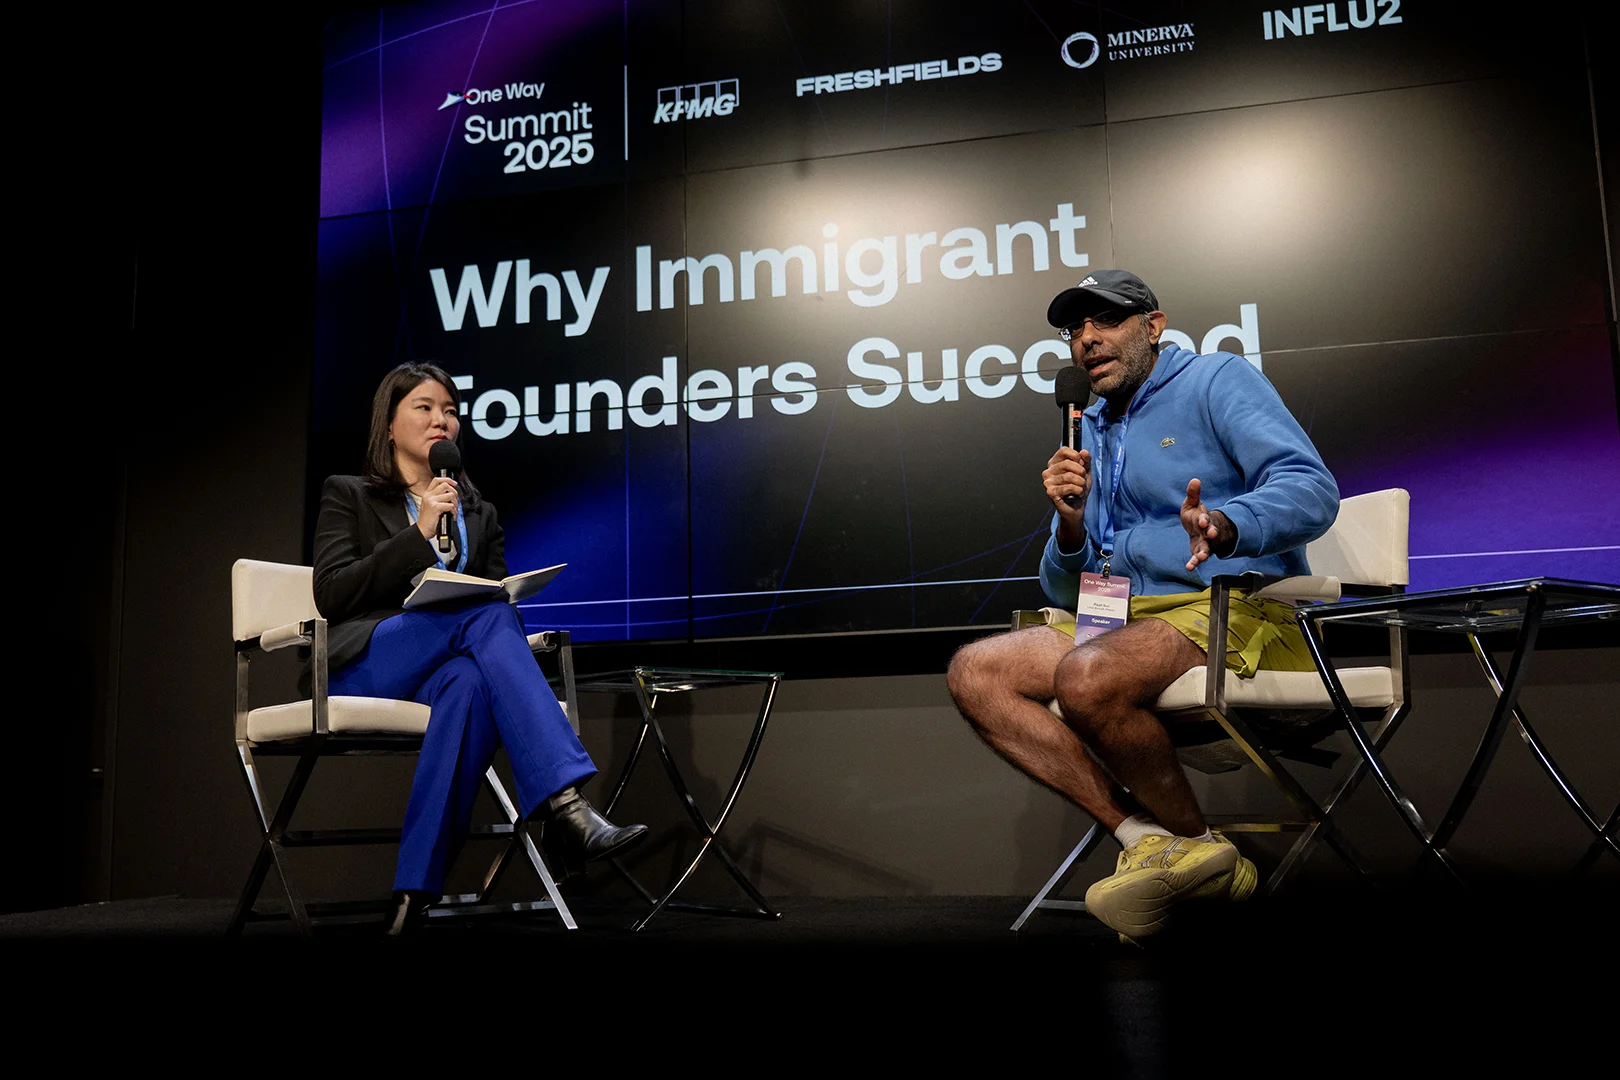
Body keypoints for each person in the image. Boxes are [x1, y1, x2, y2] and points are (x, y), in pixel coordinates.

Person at [947, 270, 1339, 942]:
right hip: (1127, 620)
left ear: (1153, 327)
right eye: (1075, 328)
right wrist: (1070, 525)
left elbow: (1311, 488)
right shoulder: (1090, 427)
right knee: (977, 672)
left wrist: (1227, 523)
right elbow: (1064, 592)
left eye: (1105, 320)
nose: (1086, 339)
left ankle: (1190, 853)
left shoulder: (1216, 380)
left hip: (1234, 609)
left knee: (1086, 675)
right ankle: (1159, 840)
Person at [313, 361, 647, 935]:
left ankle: (410, 898)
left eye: (450, 410)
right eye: (424, 407)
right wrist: (417, 534)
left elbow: (496, 603)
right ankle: (565, 807)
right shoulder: (348, 494)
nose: (440, 420)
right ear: (388, 424)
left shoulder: (479, 513)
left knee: (470, 684)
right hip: (368, 660)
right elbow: (333, 593)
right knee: (488, 614)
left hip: (442, 668)